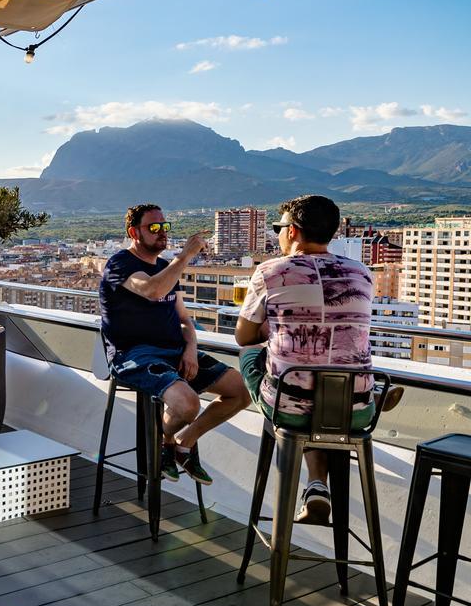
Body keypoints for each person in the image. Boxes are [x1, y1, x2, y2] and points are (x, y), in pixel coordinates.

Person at [235, 195, 400, 524]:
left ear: (293, 231)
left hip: (290, 406)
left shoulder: (270, 271)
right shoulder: (361, 273)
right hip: (355, 411)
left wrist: (276, 327)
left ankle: (313, 485)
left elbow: (243, 336)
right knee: (324, 394)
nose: (277, 234)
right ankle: (316, 485)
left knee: (254, 354)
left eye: (278, 227)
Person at [99, 203, 250, 485]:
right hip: (133, 355)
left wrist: (191, 349)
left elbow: (184, 320)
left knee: (241, 391)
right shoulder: (120, 264)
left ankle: (181, 443)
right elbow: (152, 290)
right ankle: (164, 439)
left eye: (164, 227)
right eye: (153, 228)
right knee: (188, 405)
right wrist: (184, 257)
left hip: (174, 351)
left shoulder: (165, 267)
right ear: (134, 232)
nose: (161, 233)